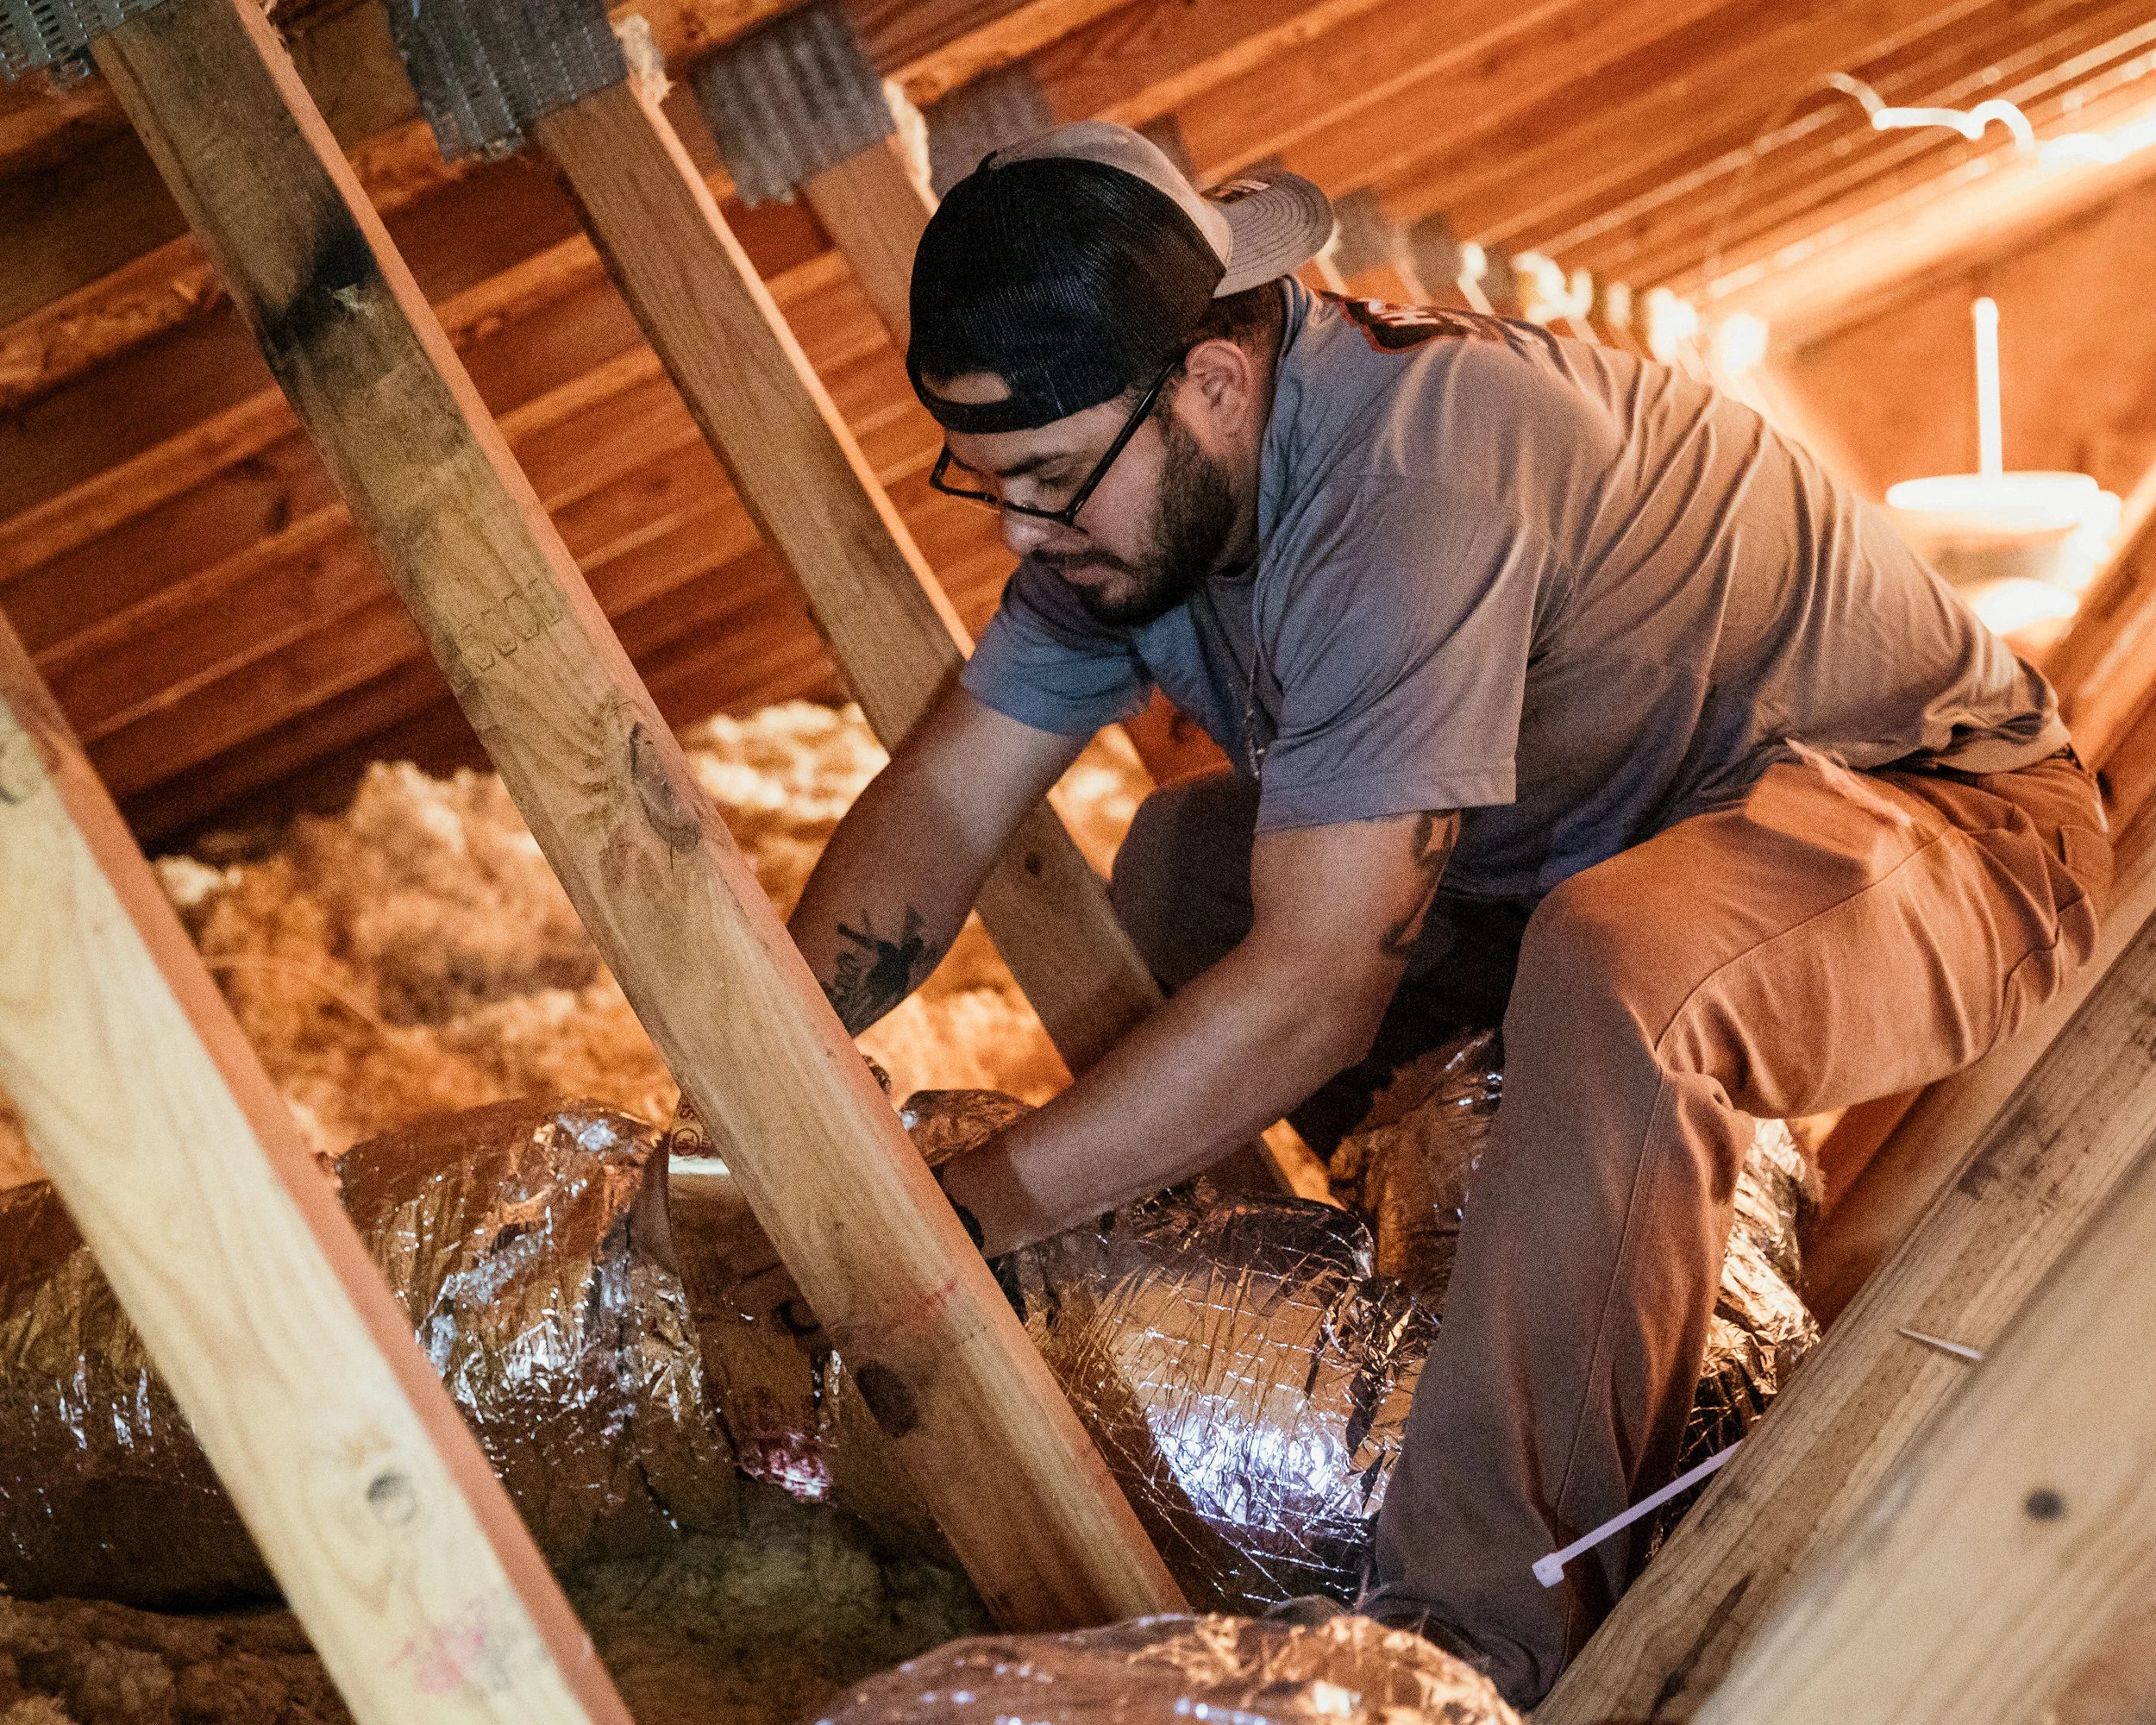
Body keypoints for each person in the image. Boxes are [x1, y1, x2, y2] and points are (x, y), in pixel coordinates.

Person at [784, 121, 2110, 1705]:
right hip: (1592, 867)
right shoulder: (1152, 500)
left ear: (1210, 381)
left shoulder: (1417, 467)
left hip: (1944, 833)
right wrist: (770, 1090)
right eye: (993, 488)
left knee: (1628, 973)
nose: (1023, 533)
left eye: (1054, 481)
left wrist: (961, 1226)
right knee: (1186, 869)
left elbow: (1320, 989)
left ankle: (1473, 1635)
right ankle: (1390, 1362)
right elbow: (942, 804)